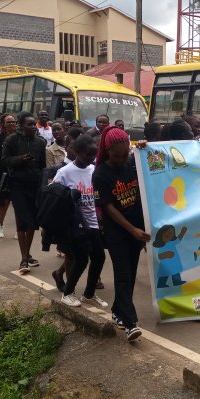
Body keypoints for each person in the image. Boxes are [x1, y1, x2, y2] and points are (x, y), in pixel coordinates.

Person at [93, 126, 149, 341]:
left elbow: (155, 162)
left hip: (137, 231)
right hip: (118, 233)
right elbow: (108, 208)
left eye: (125, 153)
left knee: (130, 274)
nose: (122, 158)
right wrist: (132, 230)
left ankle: (118, 311)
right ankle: (129, 322)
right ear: (107, 151)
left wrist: (145, 148)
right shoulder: (100, 174)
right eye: (117, 156)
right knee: (123, 274)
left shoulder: (132, 162)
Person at [53, 135, 108, 309]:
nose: (91, 159)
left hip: (93, 223)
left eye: (94, 155)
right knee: (81, 259)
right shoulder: (65, 172)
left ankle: (89, 294)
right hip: (75, 224)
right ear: (77, 152)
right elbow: (52, 195)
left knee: (99, 257)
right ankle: (68, 293)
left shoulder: (93, 170)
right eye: (87, 155)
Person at [2, 112, 47, 273]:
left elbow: (43, 167)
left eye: (34, 124)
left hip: (34, 187)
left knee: (32, 223)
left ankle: (27, 254)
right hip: (17, 186)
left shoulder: (40, 143)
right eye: (29, 124)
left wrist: (43, 186)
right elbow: (5, 160)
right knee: (22, 221)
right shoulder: (12, 140)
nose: (33, 127)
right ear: (21, 125)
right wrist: (21, 159)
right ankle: (23, 259)